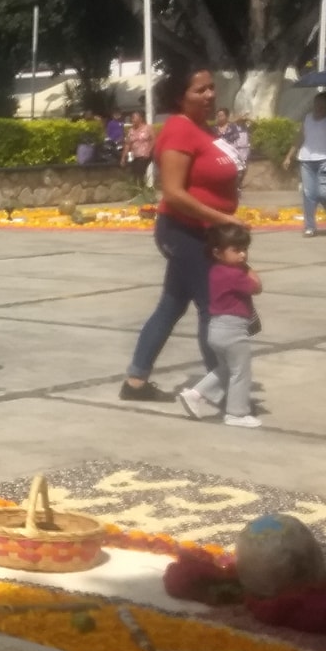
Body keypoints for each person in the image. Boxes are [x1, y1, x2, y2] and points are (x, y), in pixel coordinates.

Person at [119, 66, 239, 402]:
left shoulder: (203, 130)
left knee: (171, 306)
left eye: (211, 88)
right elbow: (173, 192)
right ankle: (220, 388)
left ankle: (135, 382)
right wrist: (223, 218)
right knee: (210, 307)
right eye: (200, 90)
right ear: (179, 97)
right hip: (186, 231)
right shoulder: (179, 131)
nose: (210, 95)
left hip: (207, 232)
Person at [177, 221, 262, 428]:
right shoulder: (234, 274)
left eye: (245, 250)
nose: (242, 255)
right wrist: (249, 268)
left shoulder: (216, 271)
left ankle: (195, 394)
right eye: (236, 250)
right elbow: (257, 287)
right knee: (241, 371)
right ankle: (236, 413)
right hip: (233, 330)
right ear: (217, 252)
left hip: (216, 329)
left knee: (225, 368)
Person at [288, 92, 326, 237]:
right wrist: (289, 156)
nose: (319, 106)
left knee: (324, 193)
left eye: (323, 104)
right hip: (306, 160)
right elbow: (300, 137)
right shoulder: (307, 119)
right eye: (317, 103)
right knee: (309, 194)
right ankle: (310, 226)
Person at [123, 110, 155, 187]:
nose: (132, 120)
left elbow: (154, 140)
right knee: (134, 174)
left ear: (140, 119)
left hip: (145, 155)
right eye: (132, 118)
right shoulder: (131, 130)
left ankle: (142, 191)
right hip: (135, 156)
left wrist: (149, 150)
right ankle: (138, 191)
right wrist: (123, 157)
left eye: (134, 118)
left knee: (140, 173)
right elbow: (128, 144)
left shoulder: (147, 128)